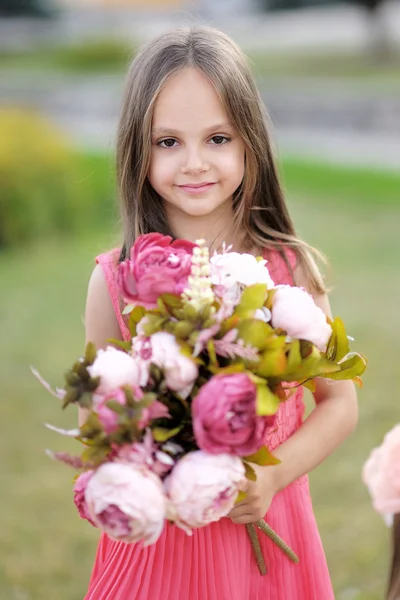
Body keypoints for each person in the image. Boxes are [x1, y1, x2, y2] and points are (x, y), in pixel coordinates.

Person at [82, 26, 358, 600]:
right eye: (168, 142)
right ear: (138, 150)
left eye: (216, 138)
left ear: (249, 142)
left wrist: (273, 473)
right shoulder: (114, 281)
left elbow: (339, 403)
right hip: (159, 552)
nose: (194, 163)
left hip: (261, 534)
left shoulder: (291, 272)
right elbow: (105, 416)